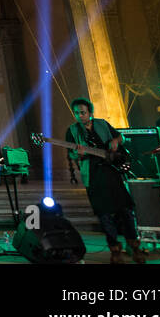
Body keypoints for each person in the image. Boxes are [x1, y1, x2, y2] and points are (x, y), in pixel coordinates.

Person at [66, 97, 146, 264]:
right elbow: (71, 154)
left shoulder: (102, 124)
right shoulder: (72, 131)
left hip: (112, 172)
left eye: (83, 112)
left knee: (125, 210)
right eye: (76, 113)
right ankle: (115, 249)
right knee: (104, 214)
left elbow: (119, 137)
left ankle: (134, 246)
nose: (80, 116)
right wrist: (78, 153)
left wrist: (115, 142)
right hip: (93, 176)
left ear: (90, 113)